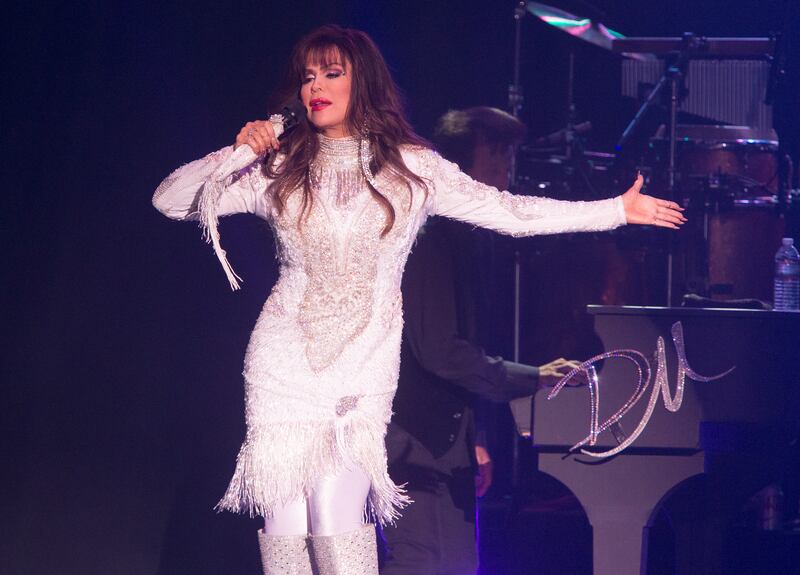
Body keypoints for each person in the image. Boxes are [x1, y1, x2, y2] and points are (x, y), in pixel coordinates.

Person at [152, 24, 685, 575]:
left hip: (362, 363)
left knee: (336, 524)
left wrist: (614, 210)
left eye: (333, 73)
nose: (317, 86)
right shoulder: (280, 168)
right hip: (282, 360)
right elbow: (170, 200)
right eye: (309, 76)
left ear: (365, 83)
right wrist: (240, 151)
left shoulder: (412, 169)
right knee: (286, 533)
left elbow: (512, 212)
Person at [381, 107, 584, 575]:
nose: (505, 177)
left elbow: (461, 344)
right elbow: (437, 350)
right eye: (497, 162)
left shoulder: (463, 239)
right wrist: (529, 377)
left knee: (456, 564)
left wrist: (475, 436)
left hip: (442, 441)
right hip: (413, 443)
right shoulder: (428, 238)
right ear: (461, 168)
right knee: (423, 562)